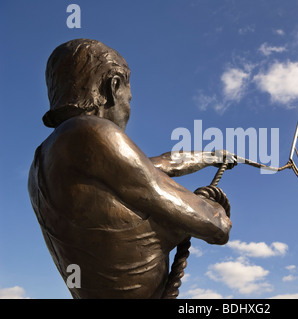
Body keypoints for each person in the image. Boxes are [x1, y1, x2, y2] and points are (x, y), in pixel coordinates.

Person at [28, 39, 234, 298]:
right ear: (113, 86)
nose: (128, 109)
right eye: (129, 99)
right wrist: (213, 206)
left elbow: (158, 164)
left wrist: (212, 156)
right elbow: (214, 226)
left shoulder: (46, 157)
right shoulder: (91, 132)